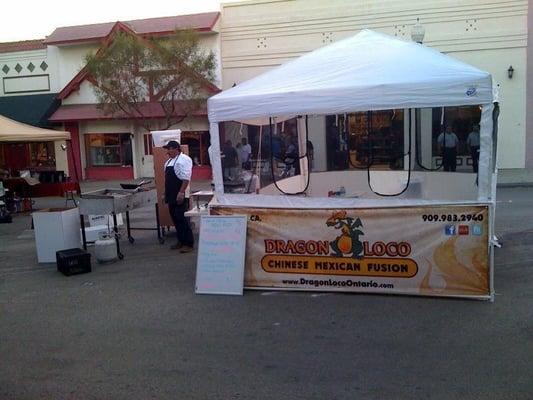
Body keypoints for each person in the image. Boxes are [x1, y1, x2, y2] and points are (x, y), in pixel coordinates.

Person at [162, 140, 194, 253]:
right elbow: (167, 180)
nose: (168, 151)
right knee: (175, 219)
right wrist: (165, 193)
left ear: (176, 149)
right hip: (171, 194)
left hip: (180, 194)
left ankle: (189, 243)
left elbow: (186, 179)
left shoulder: (183, 160)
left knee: (182, 219)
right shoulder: (169, 162)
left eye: (169, 149)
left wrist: (181, 193)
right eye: (167, 149)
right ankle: (180, 240)